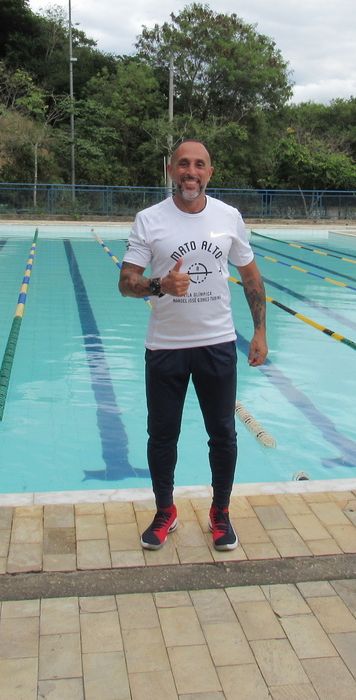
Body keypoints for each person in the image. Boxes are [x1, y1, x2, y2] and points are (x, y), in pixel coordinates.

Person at [119, 140, 268, 553]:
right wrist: (157, 284)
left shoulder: (229, 217)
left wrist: (259, 332)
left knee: (222, 433)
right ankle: (165, 510)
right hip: (165, 346)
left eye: (199, 165)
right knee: (162, 435)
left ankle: (220, 512)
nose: (191, 171)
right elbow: (125, 282)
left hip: (217, 343)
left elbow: (252, 278)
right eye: (183, 164)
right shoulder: (149, 220)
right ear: (171, 170)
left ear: (209, 172)